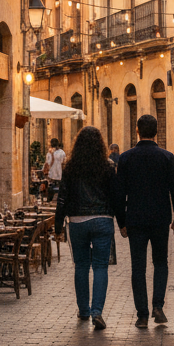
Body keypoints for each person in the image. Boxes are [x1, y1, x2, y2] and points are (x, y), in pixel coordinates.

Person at [53, 127, 124, 330]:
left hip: (77, 221)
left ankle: (83, 310)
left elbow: (62, 198)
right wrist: (122, 223)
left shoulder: (70, 167)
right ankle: (97, 312)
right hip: (103, 220)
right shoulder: (108, 167)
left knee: (81, 266)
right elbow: (116, 197)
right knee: (101, 266)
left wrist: (58, 226)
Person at [116, 115, 174, 328]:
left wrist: (121, 221)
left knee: (138, 267)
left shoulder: (126, 158)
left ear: (137, 131)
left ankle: (142, 315)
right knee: (160, 262)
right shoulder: (166, 157)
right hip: (160, 219)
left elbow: (119, 194)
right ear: (156, 132)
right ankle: (158, 306)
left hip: (135, 219)